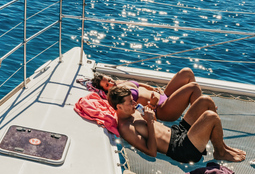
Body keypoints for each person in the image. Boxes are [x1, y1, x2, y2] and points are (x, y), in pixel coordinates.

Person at [108, 87, 245, 163]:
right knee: (211, 117)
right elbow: (151, 152)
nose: (134, 103)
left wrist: (151, 112)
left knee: (205, 101)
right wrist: (149, 121)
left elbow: (155, 124)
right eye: (130, 102)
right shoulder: (126, 128)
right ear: (119, 107)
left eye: (133, 100)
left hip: (177, 132)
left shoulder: (133, 111)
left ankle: (222, 147)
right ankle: (220, 153)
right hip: (181, 149)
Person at [91, 68, 202, 122]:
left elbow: (139, 84)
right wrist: (152, 106)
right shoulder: (118, 97)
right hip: (162, 109)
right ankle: (201, 116)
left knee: (187, 72)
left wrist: (154, 89)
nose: (111, 83)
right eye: (107, 85)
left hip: (164, 96)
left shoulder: (119, 83)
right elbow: (135, 111)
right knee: (194, 87)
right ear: (104, 90)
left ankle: (199, 108)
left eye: (109, 80)